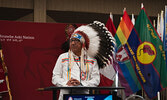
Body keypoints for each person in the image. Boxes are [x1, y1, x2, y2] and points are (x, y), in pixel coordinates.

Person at [52, 21, 116, 100]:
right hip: (65, 96)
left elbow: (96, 80)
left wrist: (81, 84)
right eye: (72, 40)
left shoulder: (91, 60)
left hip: (84, 96)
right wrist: (66, 83)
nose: (73, 43)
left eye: (76, 41)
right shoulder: (62, 58)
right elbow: (55, 77)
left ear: (83, 44)